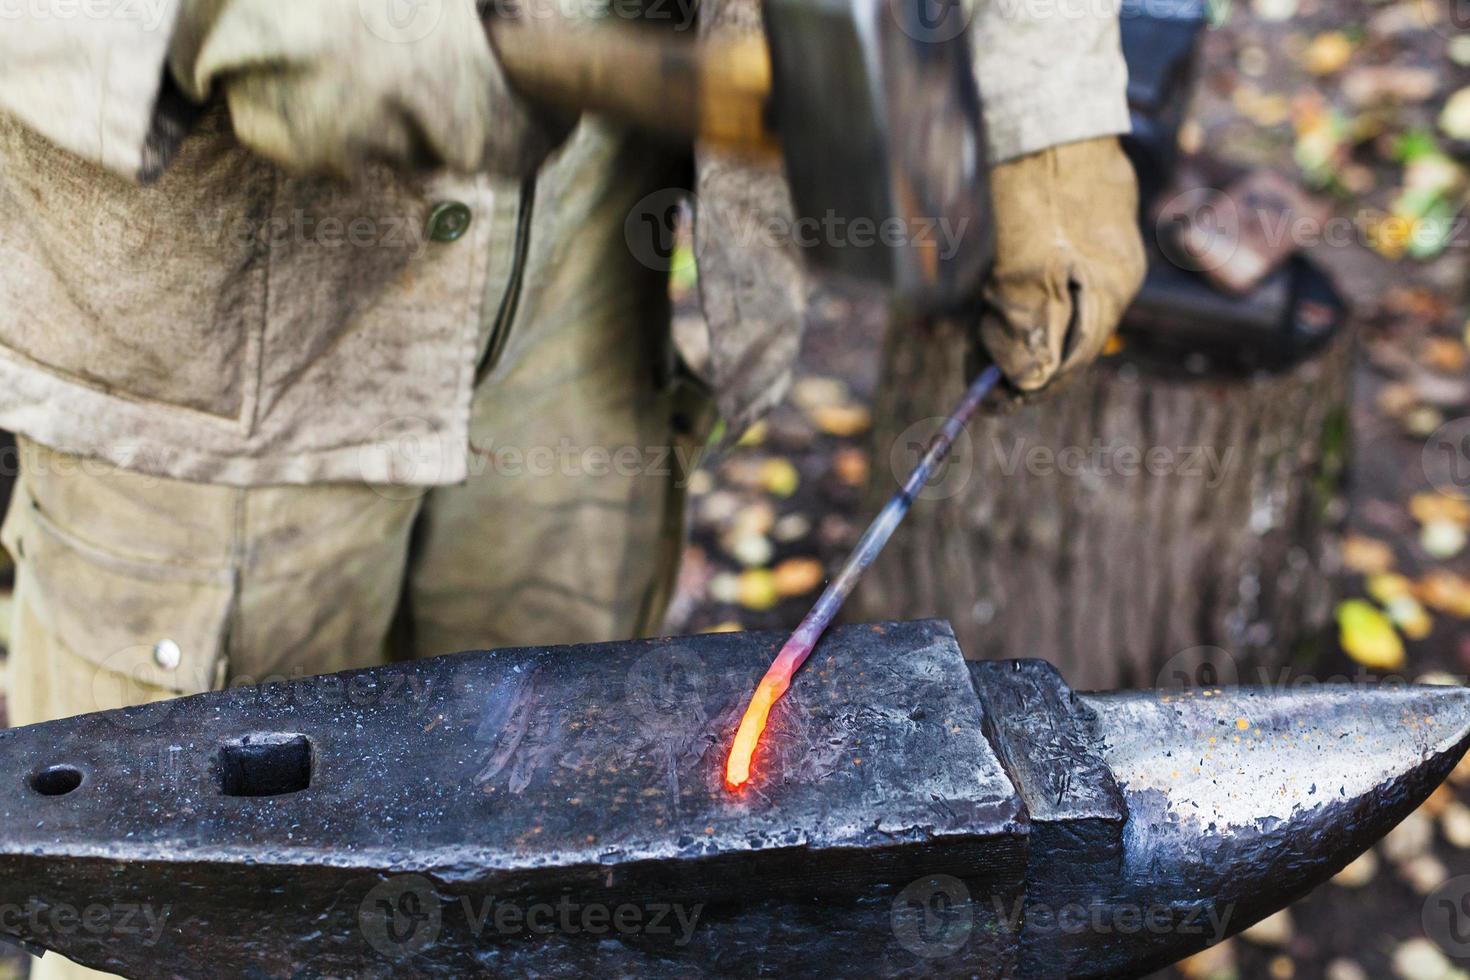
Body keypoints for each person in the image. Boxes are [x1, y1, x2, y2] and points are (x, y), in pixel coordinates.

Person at [0, 0, 1143, 975]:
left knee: (580, 890)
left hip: (600, 225)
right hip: (205, 298)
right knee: (187, 921)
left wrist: (1050, 110)